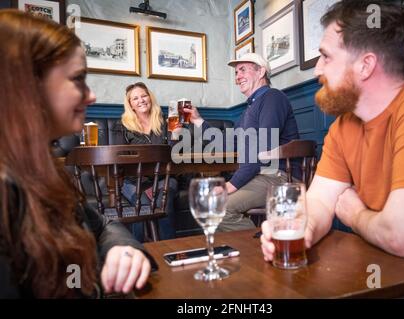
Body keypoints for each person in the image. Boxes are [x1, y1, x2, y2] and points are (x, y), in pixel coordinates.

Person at [261, 0, 404, 265]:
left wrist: (356, 215)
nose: (317, 70)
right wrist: (303, 228)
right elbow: (320, 204)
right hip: (384, 271)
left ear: (365, 65)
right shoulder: (343, 126)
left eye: (326, 57)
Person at [0, 10, 154, 298]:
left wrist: (122, 249)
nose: (92, 95)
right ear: (26, 88)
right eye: (78, 78)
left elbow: (104, 224)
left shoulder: (40, 172)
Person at [185, 53, 300, 232]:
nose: (238, 77)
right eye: (236, 72)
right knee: (213, 203)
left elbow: (262, 150)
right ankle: (255, 249)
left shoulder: (272, 97)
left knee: (219, 208)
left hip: (282, 177)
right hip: (263, 175)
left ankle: (259, 250)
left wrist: (230, 185)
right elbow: (226, 143)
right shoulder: (250, 108)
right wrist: (198, 120)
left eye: (243, 70)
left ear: (261, 72)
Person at [118, 82, 178, 240]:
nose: (141, 100)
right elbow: (118, 155)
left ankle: (170, 248)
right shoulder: (123, 126)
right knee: (142, 205)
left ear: (150, 97)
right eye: (135, 98)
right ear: (130, 105)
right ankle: (140, 250)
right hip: (133, 180)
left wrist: (176, 135)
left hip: (163, 178)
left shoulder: (166, 121)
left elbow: (174, 152)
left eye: (144, 95)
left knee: (163, 202)